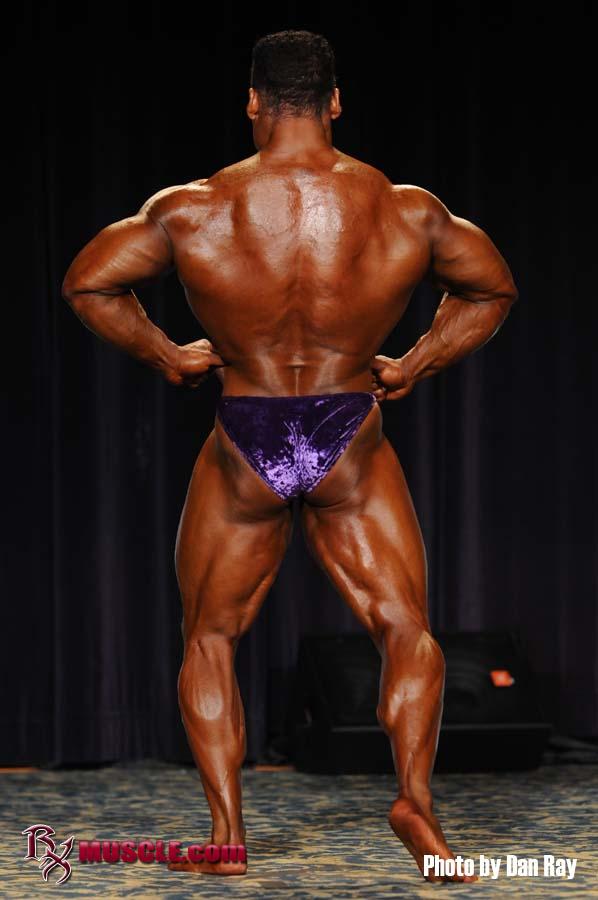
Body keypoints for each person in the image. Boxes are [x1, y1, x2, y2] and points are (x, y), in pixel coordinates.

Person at [61, 29, 518, 883]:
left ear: (252, 102)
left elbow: (89, 280)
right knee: (404, 629)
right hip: (350, 429)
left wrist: (167, 355)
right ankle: (415, 804)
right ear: (336, 101)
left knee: (210, 637)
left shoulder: (193, 207)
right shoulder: (403, 209)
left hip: (247, 432)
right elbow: (491, 286)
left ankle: (226, 835)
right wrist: (415, 363)